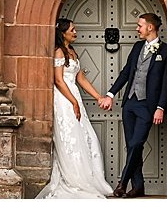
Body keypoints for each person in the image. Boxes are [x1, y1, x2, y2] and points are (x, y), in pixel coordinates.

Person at [38, 18, 116, 199]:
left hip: (74, 97)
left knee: (85, 137)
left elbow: (81, 79)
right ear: (62, 33)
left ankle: (89, 179)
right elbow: (58, 80)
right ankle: (74, 180)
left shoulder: (72, 51)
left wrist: (99, 97)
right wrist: (73, 102)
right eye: (72, 29)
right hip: (64, 99)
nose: (75, 32)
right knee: (70, 138)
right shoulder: (58, 53)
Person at [101, 13, 167, 199]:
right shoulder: (138, 47)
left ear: (150, 28)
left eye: (140, 25)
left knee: (137, 142)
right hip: (130, 104)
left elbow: (165, 83)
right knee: (132, 146)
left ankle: (123, 183)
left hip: (148, 105)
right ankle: (138, 187)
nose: (137, 29)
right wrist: (110, 94)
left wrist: (160, 107)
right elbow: (125, 73)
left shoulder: (165, 51)